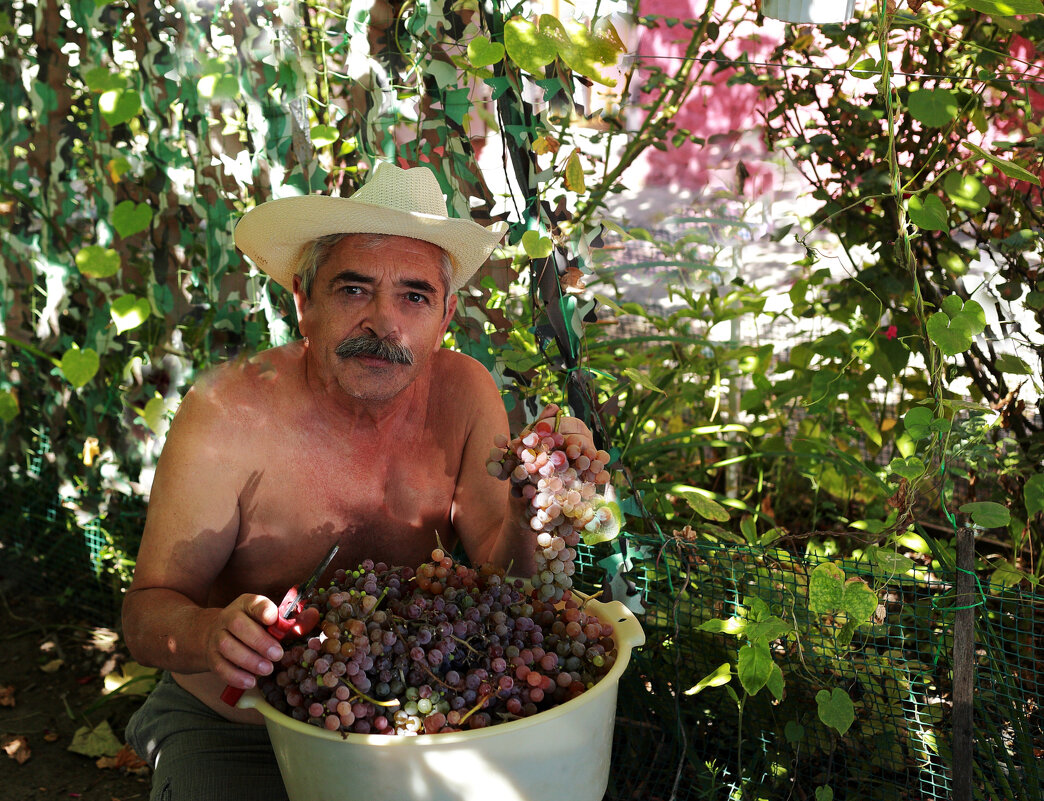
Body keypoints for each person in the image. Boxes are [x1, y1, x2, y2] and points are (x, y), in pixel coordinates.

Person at [122, 162, 594, 801]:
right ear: (302, 303)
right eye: (352, 290)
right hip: (237, 725)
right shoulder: (227, 413)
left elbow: (506, 582)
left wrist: (529, 507)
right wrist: (210, 636)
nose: (383, 322)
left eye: (414, 296)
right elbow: (148, 610)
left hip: (408, 729)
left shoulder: (463, 393)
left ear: (445, 315)